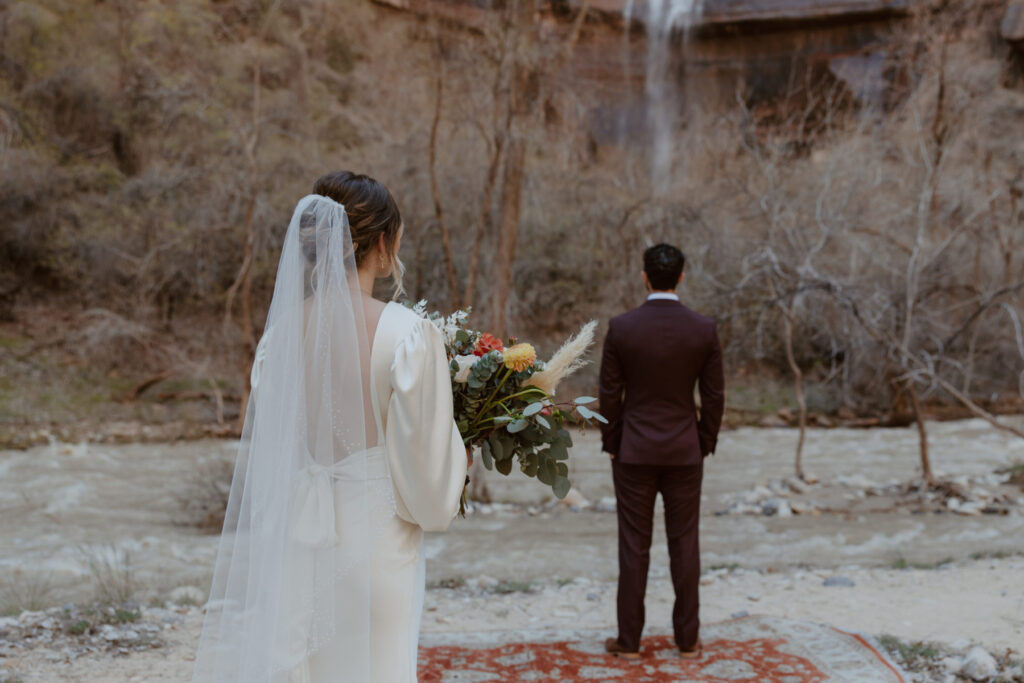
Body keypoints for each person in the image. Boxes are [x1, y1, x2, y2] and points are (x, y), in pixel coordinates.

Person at [192, 171, 468, 682]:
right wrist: (458, 460)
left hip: (300, 544)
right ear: (382, 244)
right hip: (378, 548)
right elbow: (429, 493)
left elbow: (279, 450)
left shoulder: (279, 339)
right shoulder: (407, 335)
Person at [599, 243, 725, 661]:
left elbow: (609, 394)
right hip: (685, 452)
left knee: (633, 546)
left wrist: (613, 443)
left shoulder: (622, 327)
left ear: (644, 276)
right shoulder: (703, 329)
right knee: (685, 543)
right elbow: (714, 396)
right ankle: (688, 640)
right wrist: (703, 441)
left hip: (633, 452)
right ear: (682, 278)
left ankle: (629, 642)